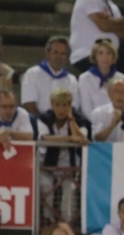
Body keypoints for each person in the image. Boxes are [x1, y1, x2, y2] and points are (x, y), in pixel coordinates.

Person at [37, 88, 91, 224]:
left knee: (69, 193)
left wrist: (71, 119)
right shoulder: (44, 118)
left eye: (65, 105)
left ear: (70, 105)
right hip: (47, 164)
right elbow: (45, 138)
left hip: (70, 165)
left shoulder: (79, 118)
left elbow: (81, 137)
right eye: (58, 105)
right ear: (52, 105)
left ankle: (67, 223)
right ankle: (47, 221)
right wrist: (70, 139)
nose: (61, 109)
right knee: (46, 188)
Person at [69, 0, 124, 74]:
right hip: (88, 54)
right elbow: (104, 25)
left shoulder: (112, 6)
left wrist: (113, 23)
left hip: (112, 54)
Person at [21, 36, 80, 117]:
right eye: (55, 53)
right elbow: (29, 104)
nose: (59, 57)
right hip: (38, 123)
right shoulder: (32, 74)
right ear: (48, 54)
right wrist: (44, 124)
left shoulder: (71, 79)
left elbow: (73, 107)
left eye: (63, 54)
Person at [78, 38, 124, 119]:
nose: (105, 57)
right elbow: (86, 110)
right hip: (94, 125)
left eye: (108, 53)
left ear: (113, 56)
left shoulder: (121, 78)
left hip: (118, 122)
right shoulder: (84, 79)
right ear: (95, 56)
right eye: (101, 53)